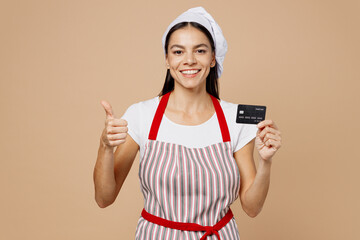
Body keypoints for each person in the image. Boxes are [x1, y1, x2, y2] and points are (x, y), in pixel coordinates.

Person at [93, 6, 282, 240]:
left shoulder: (236, 118)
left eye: (200, 51)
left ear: (213, 58)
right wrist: (105, 146)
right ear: (167, 59)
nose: (189, 60)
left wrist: (266, 162)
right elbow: (104, 198)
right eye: (178, 51)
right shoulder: (142, 115)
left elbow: (252, 208)